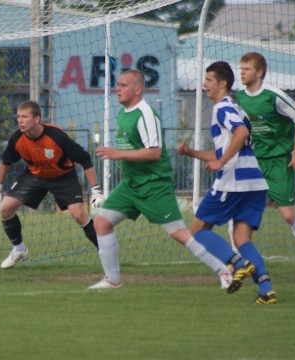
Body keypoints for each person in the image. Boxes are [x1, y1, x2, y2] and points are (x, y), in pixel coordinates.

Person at [89, 69, 252, 291]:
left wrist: (118, 153)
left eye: (123, 85)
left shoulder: (146, 114)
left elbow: (154, 152)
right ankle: (112, 280)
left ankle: (223, 270)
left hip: (154, 185)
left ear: (138, 90)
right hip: (131, 184)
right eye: (117, 84)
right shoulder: (123, 113)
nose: (117, 88)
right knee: (101, 222)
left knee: (179, 233)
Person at [178, 61, 277, 304]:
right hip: (254, 183)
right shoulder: (236, 107)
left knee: (196, 232)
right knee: (242, 239)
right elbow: (227, 149)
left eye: (209, 80)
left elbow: (240, 133)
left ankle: (238, 264)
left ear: (223, 83)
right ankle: (266, 290)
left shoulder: (222, 107)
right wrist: (193, 153)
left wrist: (221, 163)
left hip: (233, 181)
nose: (204, 85)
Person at [0, 100, 105, 268]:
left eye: (24, 117)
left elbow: (84, 159)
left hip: (63, 176)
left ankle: (105, 250)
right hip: (35, 175)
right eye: (18, 117)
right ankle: (19, 249)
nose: (20, 121)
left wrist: (96, 191)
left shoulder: (56, 136)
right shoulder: (17, 139)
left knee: (79, 214)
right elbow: (5, 162)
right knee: (5, 208)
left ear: (36, 119)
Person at [236, 52, 295, 279]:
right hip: (253, 161)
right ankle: (241, 263)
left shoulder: (273, 96)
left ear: (259, 72)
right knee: (241, 212)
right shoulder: (239, 97)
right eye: (240, 69)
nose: (242, 73)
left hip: (278, 162)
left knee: (288, 216)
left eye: (246, 69)